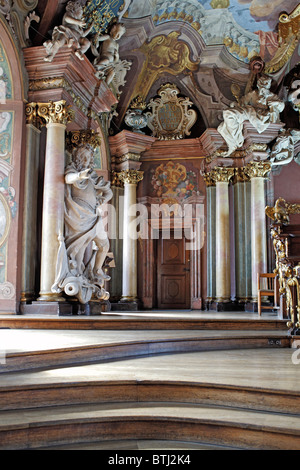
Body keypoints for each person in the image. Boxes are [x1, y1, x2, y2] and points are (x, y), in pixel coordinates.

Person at [217, 75, 285, 156]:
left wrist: (276, 103)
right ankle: (236, 140)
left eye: (266, 83)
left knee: (229, 115)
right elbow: (241, 103)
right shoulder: (253, 94)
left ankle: (235, 142)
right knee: (227, 115)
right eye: (261, 82)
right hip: (250, 112)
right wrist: (235, 104)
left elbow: (281, 106)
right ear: (258, 84)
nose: (263, 85)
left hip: (262, 115)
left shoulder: (273, 96)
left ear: (269, 85)